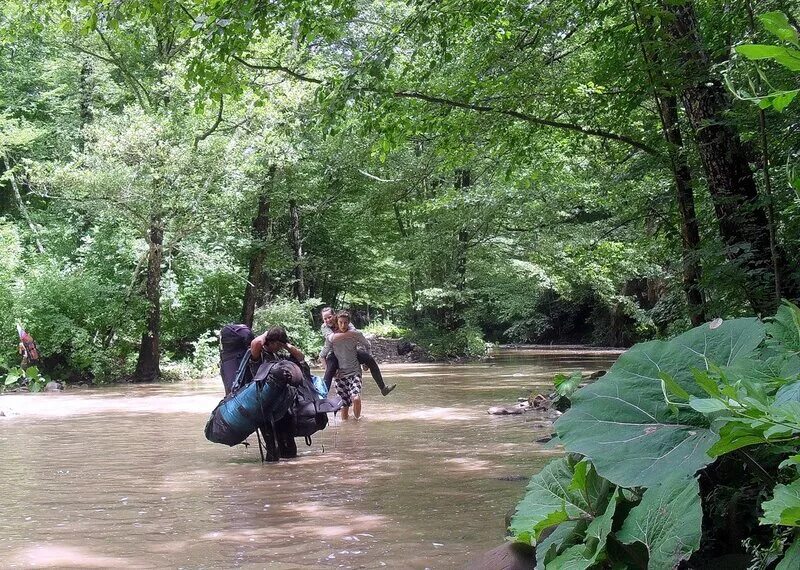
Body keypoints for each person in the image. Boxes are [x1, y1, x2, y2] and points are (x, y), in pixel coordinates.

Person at [248, 325, 306, 461]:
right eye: (277, 344)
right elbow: (256, 342)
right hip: (264, 408)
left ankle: (284, 477)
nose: (279, 347)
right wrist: (268, 334)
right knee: (272, 449)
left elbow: (300, 356)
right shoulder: (258, 354)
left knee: (290, 448)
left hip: (284, 408)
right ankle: (272, 475)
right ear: (270, 341)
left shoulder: (279, 354)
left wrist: (285, 345)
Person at [319, 307, 396, 396]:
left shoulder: (344, 320)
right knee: (329, 370)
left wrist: (352, 334)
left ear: (334, 315)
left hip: (350, 349)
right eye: (325, 318)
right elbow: (332, 338)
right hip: (334, 352)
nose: (328, 320)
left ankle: (383, 388)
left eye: (329, 317)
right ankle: (321, 397)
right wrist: (350, 334)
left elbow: (356, 334)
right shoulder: (324, 327)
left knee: (369, 359)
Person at [327, 311, 376, 420]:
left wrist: (367, 361)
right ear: (337, 323)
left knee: (356, 398)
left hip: (355, 372)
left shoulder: (355, 334)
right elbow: (324, 355)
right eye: (341, 322)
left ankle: (357, 423)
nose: (343, 325)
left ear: (349, 323)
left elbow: (368, 345)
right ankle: (346, 430)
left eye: (345, 323)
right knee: (344, 407)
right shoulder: (332, 337)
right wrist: (330, 370)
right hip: (340, 375)